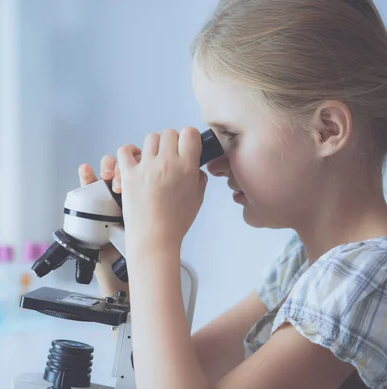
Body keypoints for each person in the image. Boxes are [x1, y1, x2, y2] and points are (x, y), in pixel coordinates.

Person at [78, 0, 387, 388]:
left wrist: (154, 241)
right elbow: (158, 371)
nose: (215, 164)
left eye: (231, 136)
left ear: (326, 129)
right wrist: (120, 252)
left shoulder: (367, 276)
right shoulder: (303, 263)